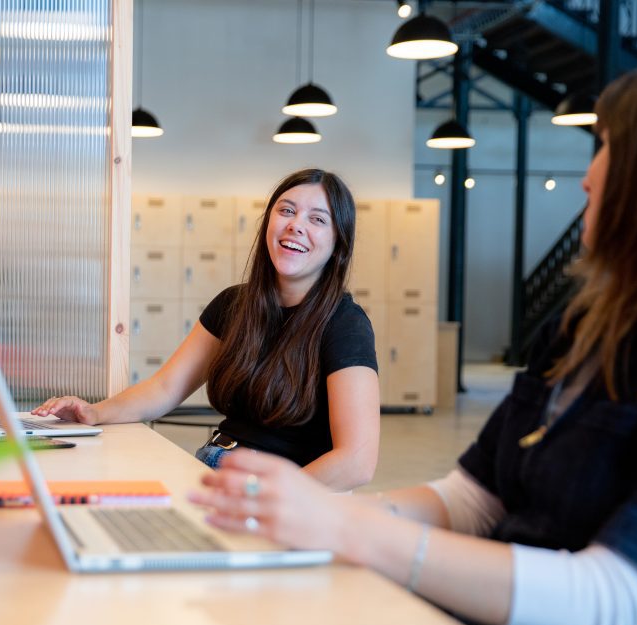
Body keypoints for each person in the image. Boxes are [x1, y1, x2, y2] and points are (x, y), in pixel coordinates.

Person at [191, 59, 637, 625]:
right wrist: (311, 515)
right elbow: (473, 498)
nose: (586, 179)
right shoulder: (578, 331)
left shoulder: (343, 322)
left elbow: (604, 603)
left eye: (606, 149)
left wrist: (347, 526)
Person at [33, 168, 380, 490]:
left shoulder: (345, 324)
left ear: (338, 245)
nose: (296, 225)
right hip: (213, 464)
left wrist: (264, 497)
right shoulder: (234, 304)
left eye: (317, 219)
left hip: (275, 488)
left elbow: (357, 462)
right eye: (286, 211)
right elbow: (165, 387)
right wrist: (94, 412)